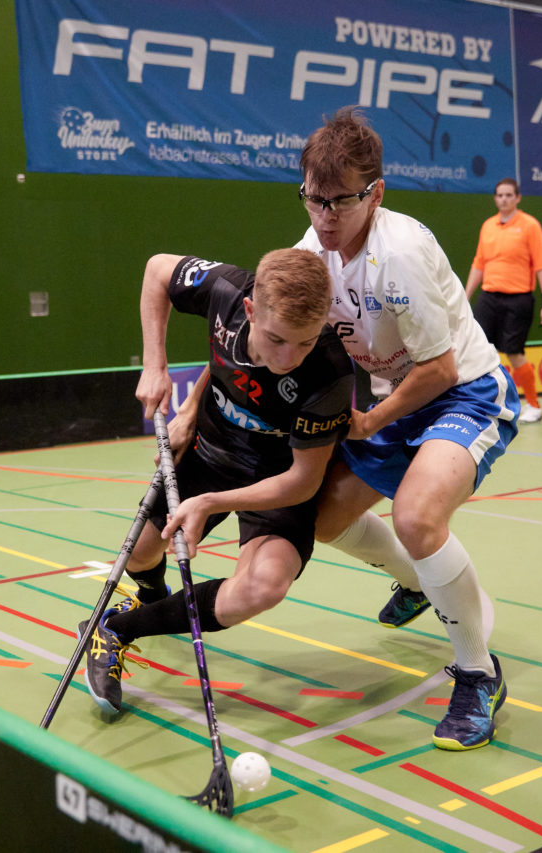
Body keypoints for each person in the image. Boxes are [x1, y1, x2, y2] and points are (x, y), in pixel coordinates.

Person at [293, 106, 520, 751]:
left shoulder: (401, 254)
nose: (325, 216)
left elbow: (440, 369)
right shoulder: (313, 250)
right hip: (396, 395)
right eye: (313, 198)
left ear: (376, 194)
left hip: (465, 392)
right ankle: (419, 583)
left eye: (341, 201)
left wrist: (369, 420)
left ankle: (478, 674)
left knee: (417, 518)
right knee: (323, 518)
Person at [80, 249, 355, 716]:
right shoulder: (226, 292)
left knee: (264, 587)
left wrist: (209, 502)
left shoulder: (329, 372)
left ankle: (117, 629)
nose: (288, 358)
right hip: (211, 450)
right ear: (250, 310)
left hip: (276, 481)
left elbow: (303, 481)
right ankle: (153, 598)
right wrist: (155, 365)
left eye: (305, 342)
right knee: (142, 553)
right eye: (276, 339)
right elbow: (157, 270)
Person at [465, 178, 542, 423]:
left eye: (508, 195)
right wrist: (465, 296)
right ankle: (482, 403)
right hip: (488, 298)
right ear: (495, 198)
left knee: (514, 353)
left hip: (519, 300)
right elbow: (479, 264)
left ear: (517, 198)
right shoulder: (488, 226)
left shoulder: (530, 226)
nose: (504, 199)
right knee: (479, 350)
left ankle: (533, 405)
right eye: (500, 195)